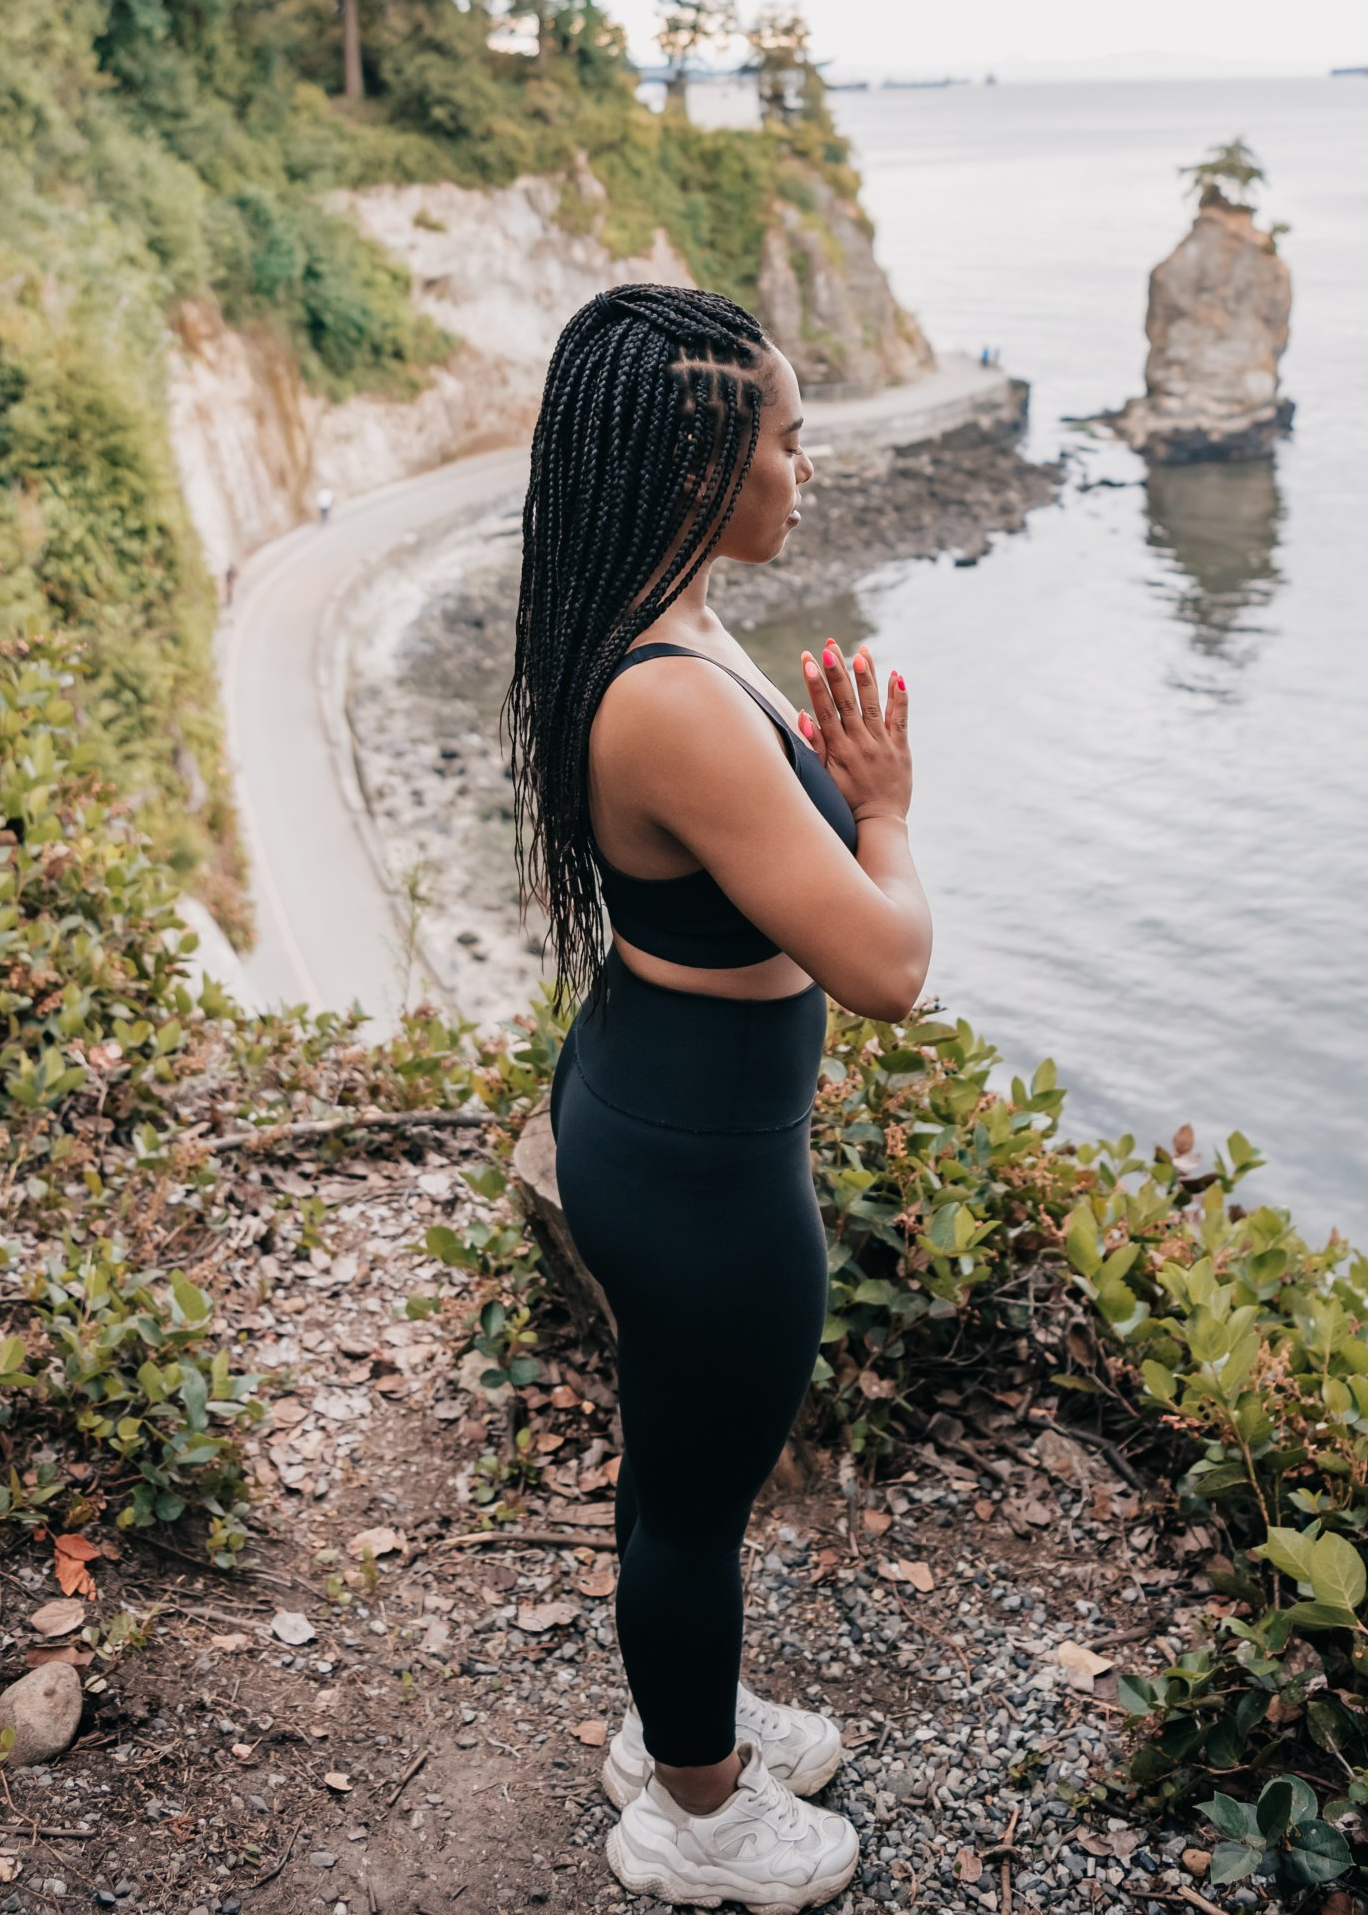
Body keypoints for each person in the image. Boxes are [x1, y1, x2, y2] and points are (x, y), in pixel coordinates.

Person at [504, 284, 930, 1910]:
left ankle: (687, 1724)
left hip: (663, 1099)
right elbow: (890, 966)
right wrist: (882, 810)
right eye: (789, 437)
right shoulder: (670, 693)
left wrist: (823, 781)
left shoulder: (653, 613)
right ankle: (696, 1805)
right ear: (702, 466)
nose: (808, 465)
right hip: (701, 1162)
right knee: (688, 1502)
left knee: (682, 1471)